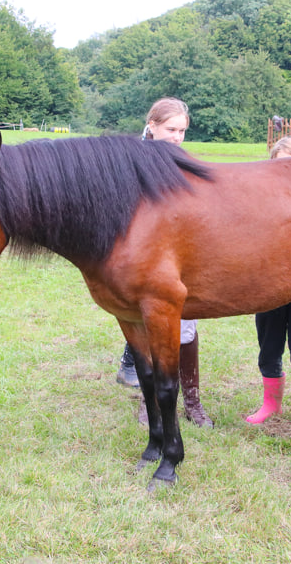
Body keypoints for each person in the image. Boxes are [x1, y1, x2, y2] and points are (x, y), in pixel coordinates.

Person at [116, 97, 213, 428]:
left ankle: (193, 399)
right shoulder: (130, 160)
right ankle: (150, 399)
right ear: (152, 125)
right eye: (171, 129)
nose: (177, 137)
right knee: (149, 329)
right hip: (142, 259)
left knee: (187, 327)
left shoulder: (184, 160)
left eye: (183, 131)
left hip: (180, 254)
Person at [246, 137, 291, 427]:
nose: (284, 169)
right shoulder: (259, 201)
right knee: (269, 347)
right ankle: (270, 404)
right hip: (269, 287)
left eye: (290, 163)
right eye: (278, 163)